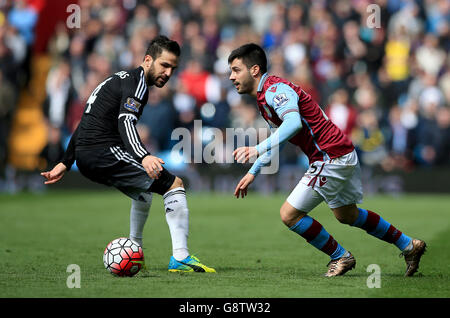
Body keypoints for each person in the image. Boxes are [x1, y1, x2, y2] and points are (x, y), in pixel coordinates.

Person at [228, 43, 426, 277]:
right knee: (347, 215)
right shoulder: (265, 98)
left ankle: (340, 256)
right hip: (340, 152)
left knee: (289, 214)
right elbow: (280, 137)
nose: (231, 77)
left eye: (235, 70)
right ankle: (408, 245)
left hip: (329, 156)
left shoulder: (275, 90)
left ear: (254, 70)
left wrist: (257, 148)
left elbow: (293, 124)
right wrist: (255, 170)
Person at [41, 36, 215, 273]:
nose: (168, 73)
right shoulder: (137, 84)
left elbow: (85, 122)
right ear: (147, 60)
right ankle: (180, 257)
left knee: (144, 191)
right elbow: (126, 121)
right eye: (164, 65)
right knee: (174, 184)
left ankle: (135, 252)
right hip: (102, 152)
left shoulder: (118, 80)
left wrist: (65, 161)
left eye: (173, 68)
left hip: (89, 153)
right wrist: (143, 156)